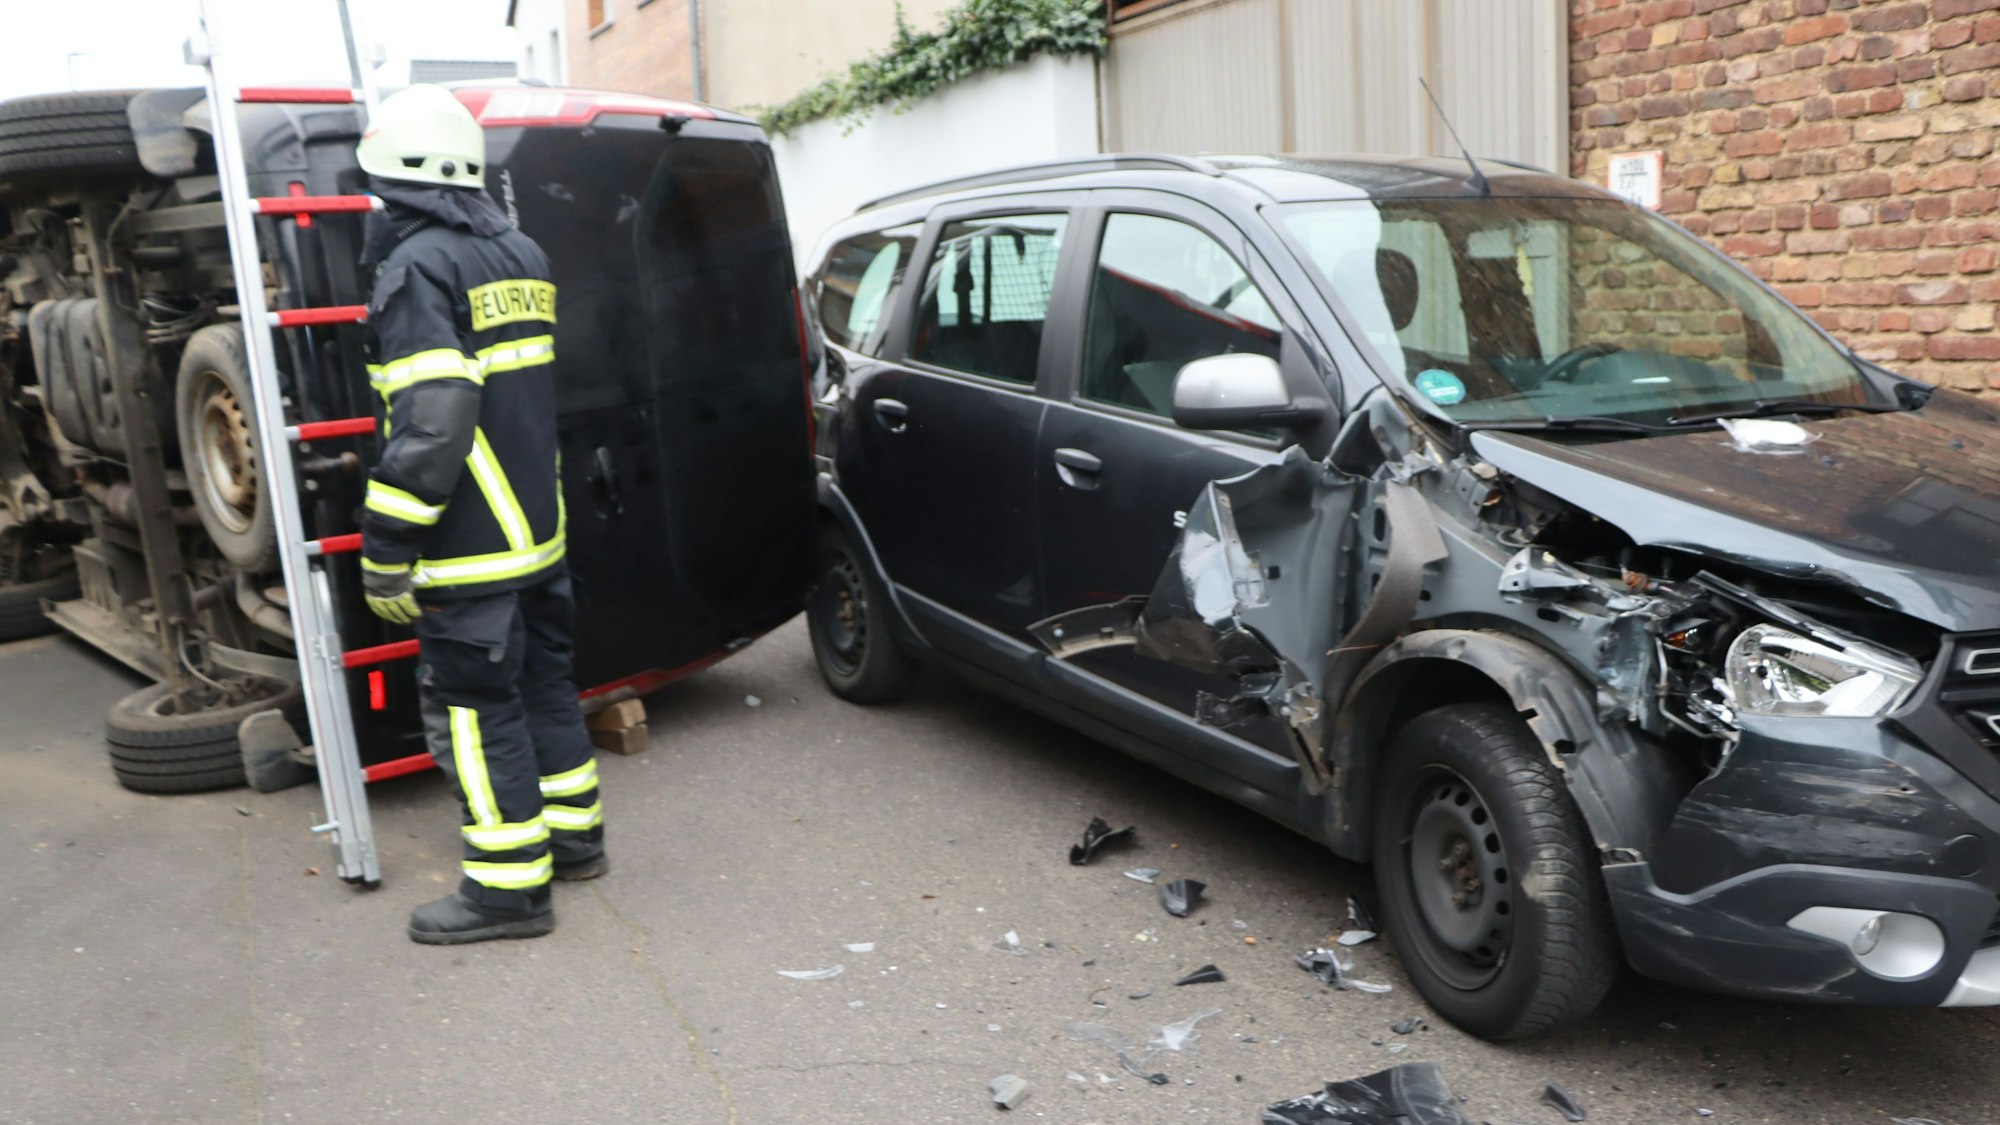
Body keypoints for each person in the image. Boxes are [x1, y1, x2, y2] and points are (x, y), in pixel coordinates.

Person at [353, 85, 605, 944]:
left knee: (474, 708)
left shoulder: (417, 266)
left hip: (466, 552)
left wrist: (386, 547)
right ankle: (575, 841)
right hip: (539, 536)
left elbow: (432, 423)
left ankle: (507, 891)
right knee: (542, 684)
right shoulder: (521, 252)